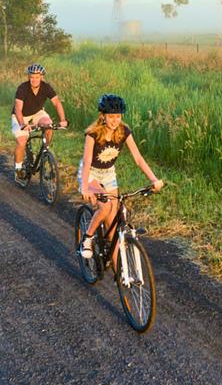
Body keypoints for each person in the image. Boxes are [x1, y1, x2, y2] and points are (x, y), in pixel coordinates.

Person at [79, 94, 163, 261]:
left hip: (109, 173)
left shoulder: (124, 131)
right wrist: (85, 186)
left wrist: (154, 179)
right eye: (111, 116)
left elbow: (138, 158)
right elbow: (88, 160)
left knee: (113, 227)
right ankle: (87, 239)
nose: (114, 120)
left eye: (118, 116)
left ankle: (120, 274)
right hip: (91, 174)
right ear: (103, 116)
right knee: (105, 207)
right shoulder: (92, 134)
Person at [12, 63, 68, 183]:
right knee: (22, 141)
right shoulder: (22, 88)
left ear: (41, 77)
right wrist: (22, 124)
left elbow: (57, 102)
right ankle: (18, 169)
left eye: (37, 77)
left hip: (37, 113)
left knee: (48, 124)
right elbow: (17, 108)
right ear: (28, 77)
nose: (34, 80)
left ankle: (45, 153)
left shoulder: (46, 87)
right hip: (21, 116)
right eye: (32, 77)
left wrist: (63, 120)